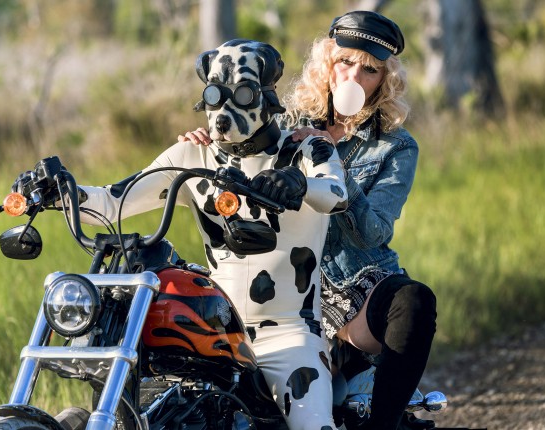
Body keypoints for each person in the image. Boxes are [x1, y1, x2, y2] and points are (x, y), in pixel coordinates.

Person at [17, 39, 348, 430]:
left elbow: (336, 194)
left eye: (243, 93)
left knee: (314, 424)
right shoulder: (194, 154)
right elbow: (113, 202)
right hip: (217, 330)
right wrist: (60, 191)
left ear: (266, 94)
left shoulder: (305, 149)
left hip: (289, 334)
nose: (225, 110)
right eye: (216, 93)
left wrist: (299, 183)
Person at [180, 11, 438, 430]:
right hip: (281, 287)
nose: (354, 77)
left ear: (384, 81)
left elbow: (374, 232)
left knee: (415, 301)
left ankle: (383, 424)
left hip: (354, 288)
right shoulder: (279, 124)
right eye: (345, 62)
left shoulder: (395, 146)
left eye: (370, 70)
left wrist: (332, 166)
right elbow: (230, 153)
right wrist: (206, 143)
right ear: (327, 64)